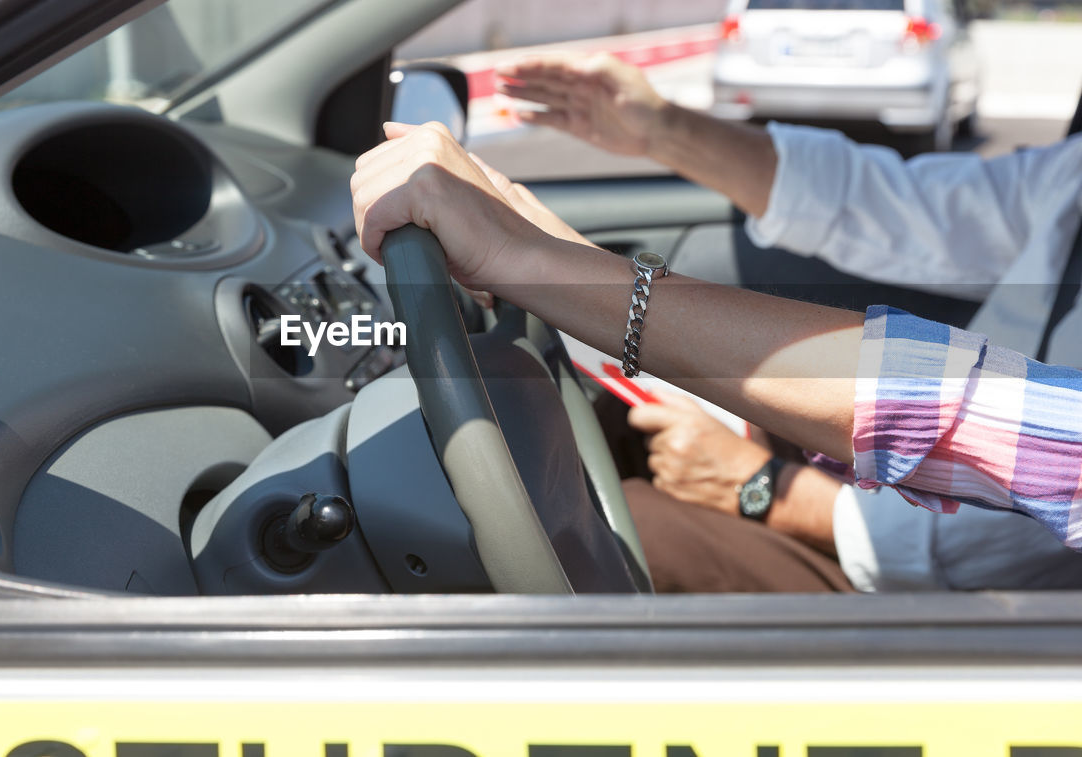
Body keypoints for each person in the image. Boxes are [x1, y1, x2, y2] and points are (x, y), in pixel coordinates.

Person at [348, 116, 1082, 567]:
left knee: (583, 541)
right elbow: (899, 206)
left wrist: (765, 489)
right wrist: (567, 248)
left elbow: (1044, 453)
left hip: (963, 594)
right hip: (912, 507)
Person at [489, 52, 1082, 592]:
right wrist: (662, 129)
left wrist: (763, 489)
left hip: (975, 593)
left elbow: (1039, 486)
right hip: (919, 487)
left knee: (597, 538)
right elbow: (892, 206)